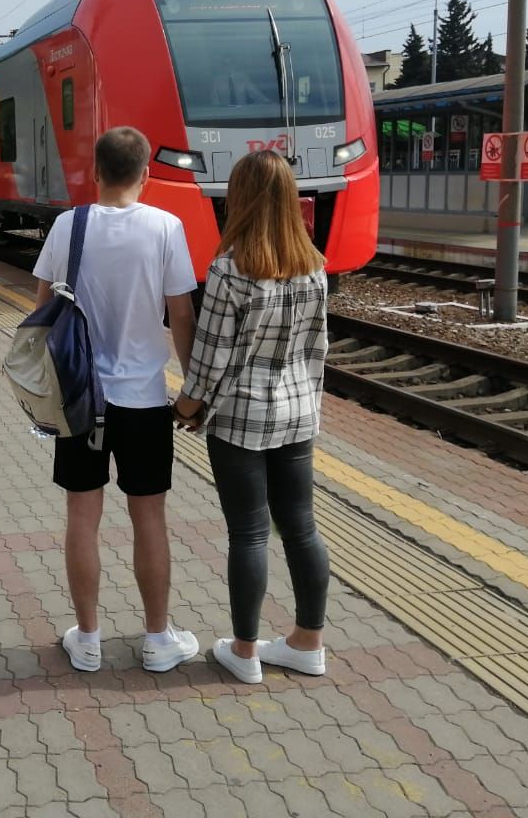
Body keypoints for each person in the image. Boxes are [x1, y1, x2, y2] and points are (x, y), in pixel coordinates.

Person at [31, 127, 199, 674]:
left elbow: (41, 313)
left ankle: (87, 638)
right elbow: (182, 316)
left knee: (82, 515)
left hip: (81, 399)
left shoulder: (67, 225)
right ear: (146, 173)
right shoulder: (166, 227)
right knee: (149, 517)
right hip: (145, 400)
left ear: (95, 173)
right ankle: (157, 638)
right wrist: (193, 389)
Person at [173, 150, 330, 685]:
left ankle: (244, 651)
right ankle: (308, 643)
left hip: (240, 418)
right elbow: (318, 349)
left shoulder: (230, 268)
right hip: (298, 412)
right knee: (302, 529)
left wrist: (188, 408)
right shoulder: (314, 265)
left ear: (239, 199)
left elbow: (211, 355)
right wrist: (307, 401)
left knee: (249, 534)